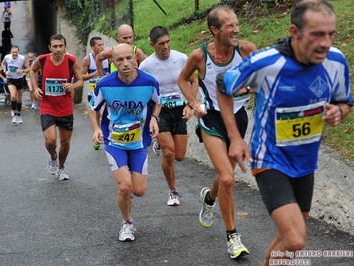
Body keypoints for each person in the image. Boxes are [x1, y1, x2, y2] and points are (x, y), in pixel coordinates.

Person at [216, 1, 352, 265]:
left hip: (305, 163)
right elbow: (223, 86)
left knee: (288, 241)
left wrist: (339, 112)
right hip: (270, 159)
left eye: (330, 34)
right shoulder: (266, 63)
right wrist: (234, 138)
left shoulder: (335, 60)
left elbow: (343, 101)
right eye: (317, 34)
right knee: (295, 239)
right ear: (295, 31)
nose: (325, 42)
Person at [177, 5, 257, 259]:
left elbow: (261, 79)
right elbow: (182, 80)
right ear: (215, 30)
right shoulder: (199, 56)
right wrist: (193, 102)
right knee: (228, 178)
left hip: (239, 118)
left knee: (226, 177)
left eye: (236, 24)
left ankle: (209, 198)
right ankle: (233, 238)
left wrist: (251, 88)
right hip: (211, 118)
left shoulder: (246, 49)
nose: (236, 29)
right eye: (229, 26)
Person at [88, 43, 161, 242]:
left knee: (139, 191)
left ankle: (127, 204)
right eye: (119, 60)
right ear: (113, 62)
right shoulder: (105, 84)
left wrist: (154, 118)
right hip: (114, 141)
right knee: (125, 187)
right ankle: (126, 223)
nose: (125, 63)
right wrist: (96, 128)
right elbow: (93, 108)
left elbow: (157, 102)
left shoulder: (150, 81)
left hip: (139, 142)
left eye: (129, 58)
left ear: (136, 58)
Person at [139, 26, 198, 206]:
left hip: (179, 110)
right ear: (152, 45)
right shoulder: (146, 65)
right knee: (169, 153)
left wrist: (190, 104)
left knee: (179, 156)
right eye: (160, 44)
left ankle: (160, 144)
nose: (165, 47)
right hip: (159, 112)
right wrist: (148, 116)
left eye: (167, 42)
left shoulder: (181, 58)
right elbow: (142, 92)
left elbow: (194, 81)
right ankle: (173, 191)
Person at [30, 34, 83, 181]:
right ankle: (53, 156)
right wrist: (35, 88)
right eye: (55, 46)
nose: (58, 49)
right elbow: (32, 71)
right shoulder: (42, 60)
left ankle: (61, 167)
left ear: (65, 47)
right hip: (47, 106)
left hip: (65, 107)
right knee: (51, 141)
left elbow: (80, 81)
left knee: (65, 143)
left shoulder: (71, 61)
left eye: (61, 46)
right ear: (50, 48)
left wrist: (72, 85)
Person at [1, 45, 30, 124]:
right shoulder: (7, 57)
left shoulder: (22, 58)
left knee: (19, 98)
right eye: (13, 52)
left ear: (18, 52)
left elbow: (28, 68)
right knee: (13, 96)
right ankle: (14, 115)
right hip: (10, 79)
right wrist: (5, 71)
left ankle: (18, 114)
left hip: (19, 79)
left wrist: (22, 71)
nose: (14, 54)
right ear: (11, 52)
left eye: (16, 52)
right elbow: (3, 64)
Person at [80, 37, 109, 103]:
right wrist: (94, 74)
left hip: (105, 90)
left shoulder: (108, 57)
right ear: (93, 48)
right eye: (99, 45)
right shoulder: (87, 59)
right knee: (95, 112)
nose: (102, 47)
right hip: (92, 92)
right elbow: (80, 77)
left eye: (103, 44)